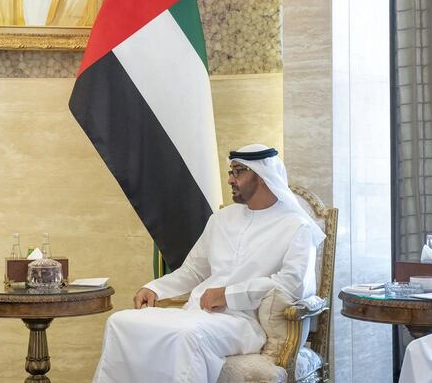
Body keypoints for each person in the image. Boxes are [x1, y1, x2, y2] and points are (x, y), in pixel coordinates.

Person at [93, 144, 325, 383]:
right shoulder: (221, 218)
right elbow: (194, 269)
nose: (230, 180)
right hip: (197, 313)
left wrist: (229, 295)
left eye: (238, 172)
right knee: (121, 322)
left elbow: (291, 285)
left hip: (244, 322)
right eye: (230, 172)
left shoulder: (297, 226)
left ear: (264, 177)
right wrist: (155, 288)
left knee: (186, 335)